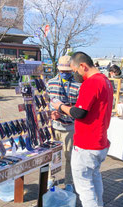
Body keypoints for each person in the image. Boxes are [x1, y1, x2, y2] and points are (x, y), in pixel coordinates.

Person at [51, 52, 113, 207]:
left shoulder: (91, 83)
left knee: (84, 184)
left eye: (74, 70)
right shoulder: (105, 80)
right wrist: (64, 111)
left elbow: (80, 113)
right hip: (99, 140)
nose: (74, 73)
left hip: (87, 143)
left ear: (83, 66)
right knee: (94, 177)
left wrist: (59, 106)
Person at [46, 55, 81, 188]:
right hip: (54, 126)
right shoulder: (51, 82)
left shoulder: (78, 85)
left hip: (70, 126)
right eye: (62, 71)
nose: (64, 73)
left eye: (67, 71)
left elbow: (79, 108)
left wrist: (65, 110)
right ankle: (50, 177)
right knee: (53, 154)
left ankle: (68, 182)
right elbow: (49, 101)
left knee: (69, 156)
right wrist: (51, 112)